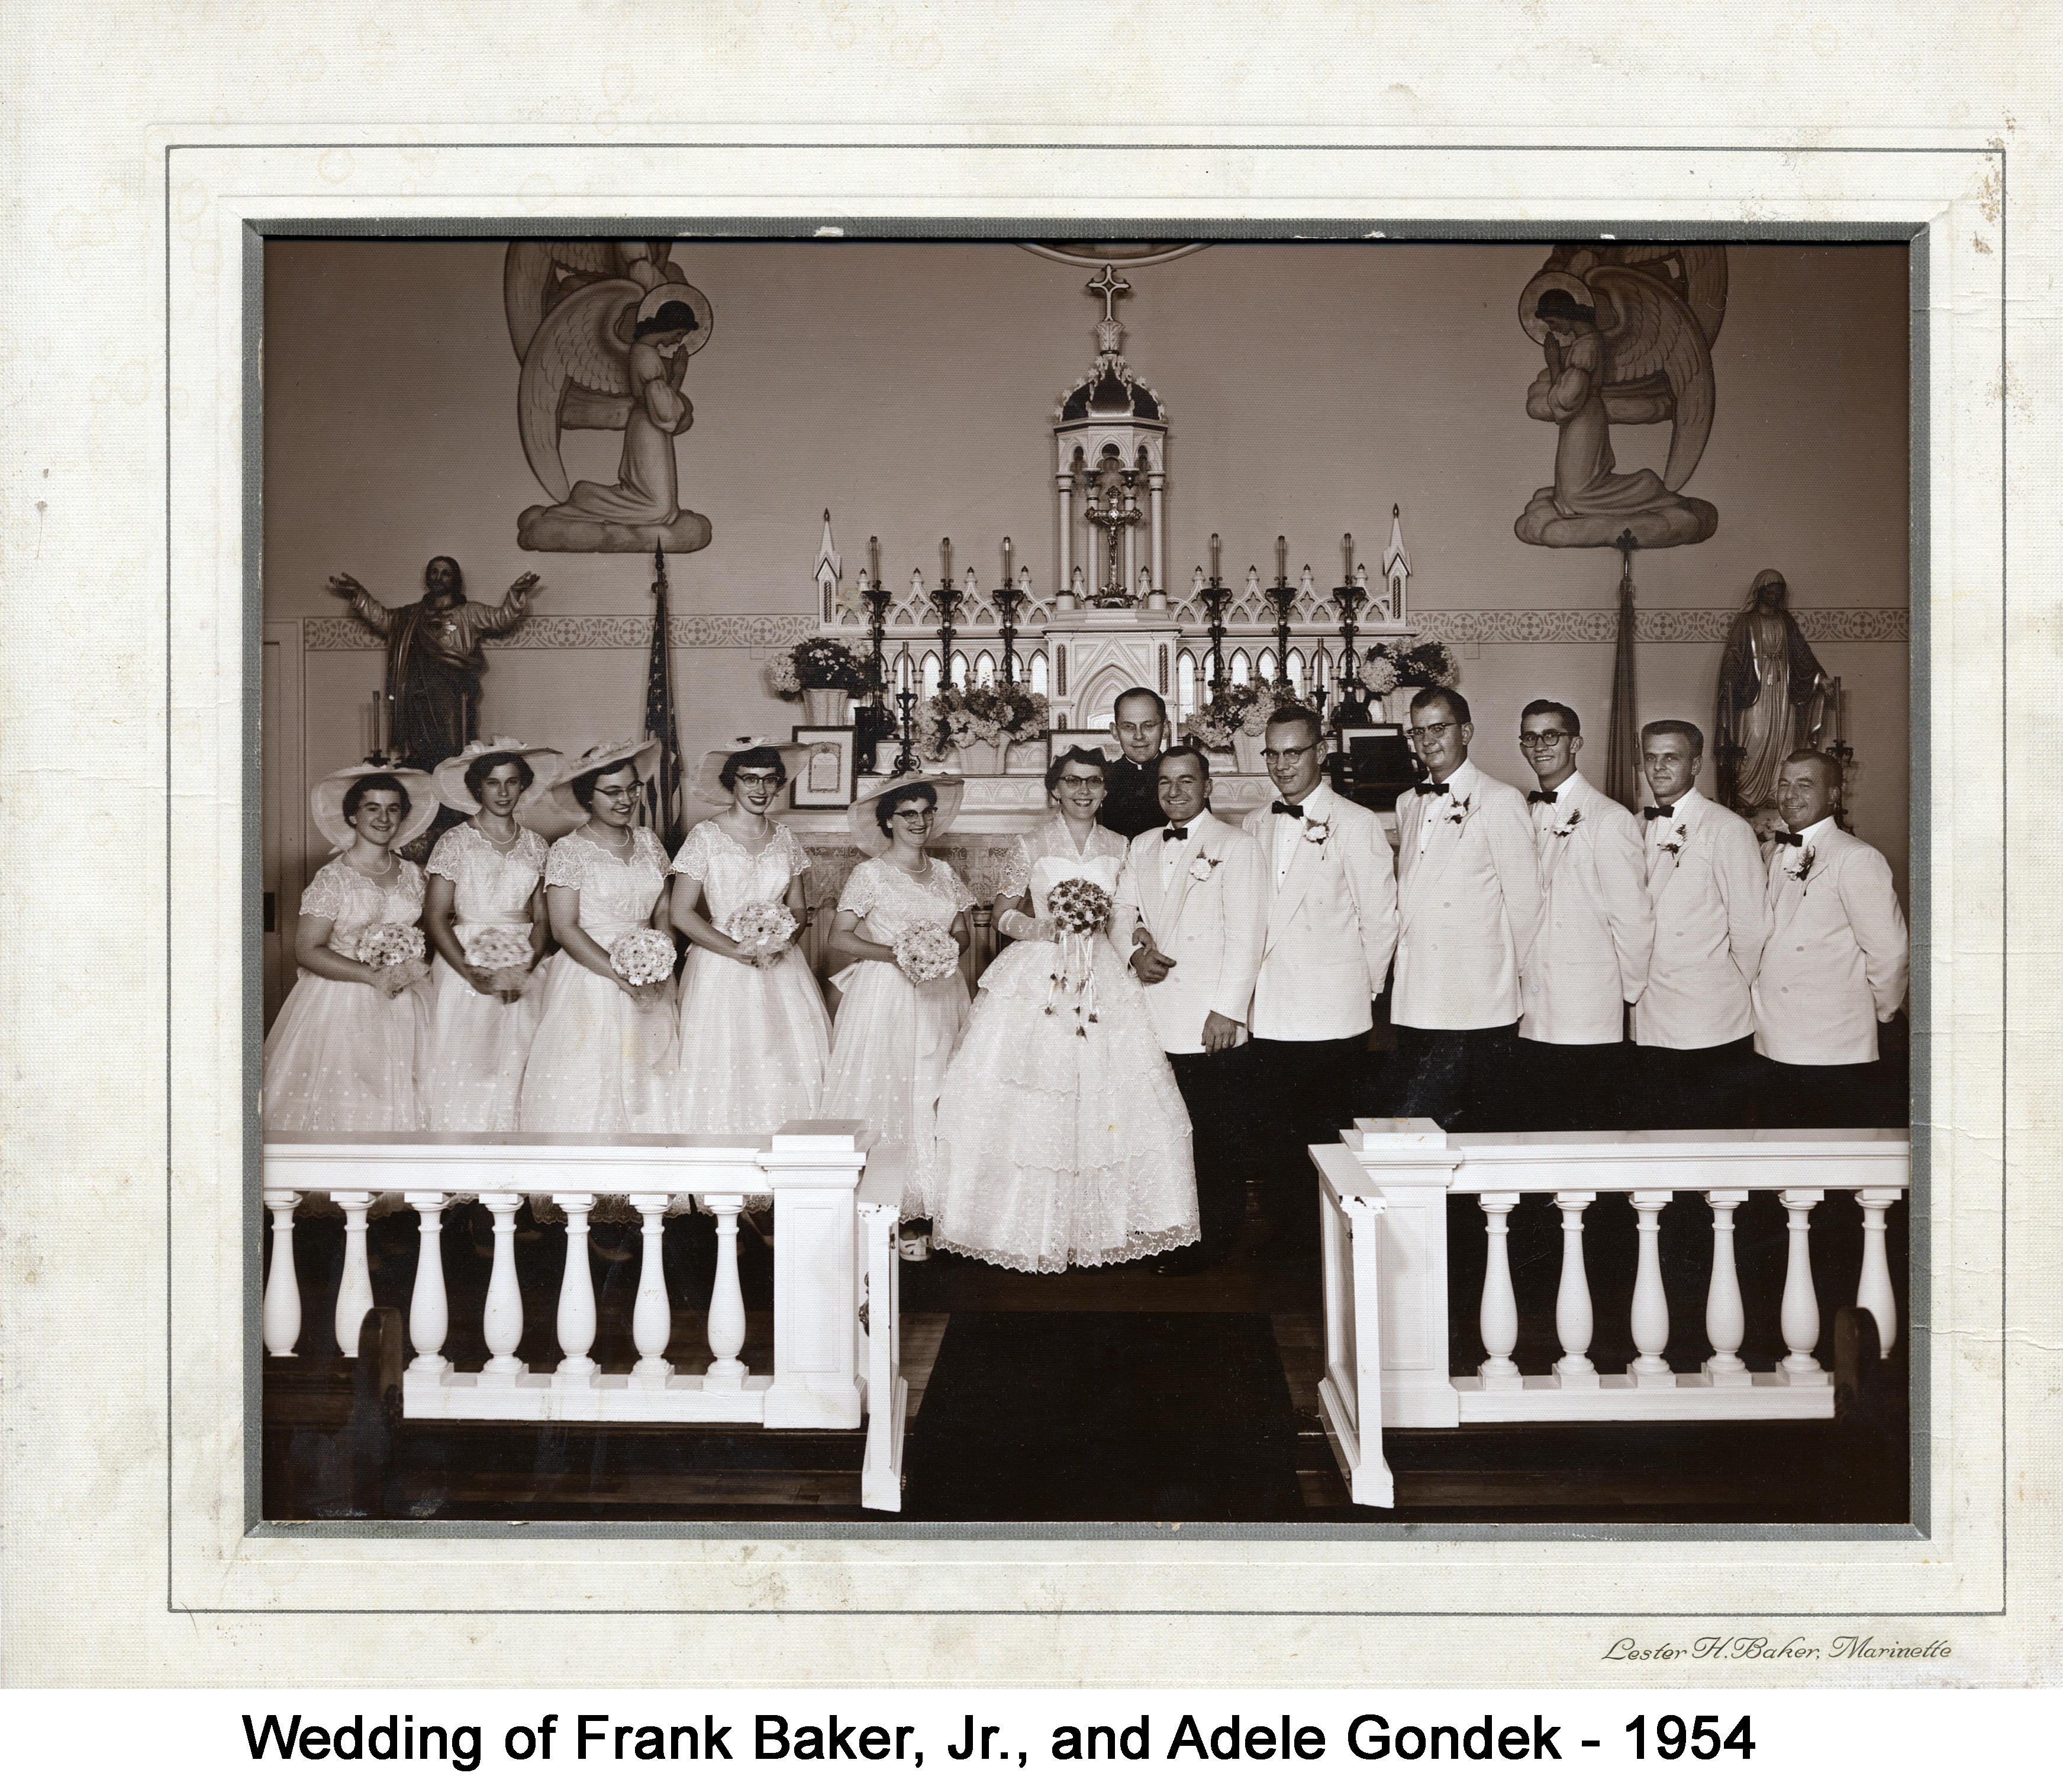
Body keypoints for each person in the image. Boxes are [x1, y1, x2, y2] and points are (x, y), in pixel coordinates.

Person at [909, 746, 1198, 1273]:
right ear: (1055, 789)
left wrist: (1128, 932)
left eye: (1093, 783)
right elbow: (1000, 916)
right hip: (1040, 974)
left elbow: (1124, 917)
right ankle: (1021, 1225)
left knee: (1105, 1097)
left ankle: (1101, 1225)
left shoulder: (1121, 845)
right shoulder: (1031, 843)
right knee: (1033, 1096)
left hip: (1103, 976)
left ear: (1106, 790)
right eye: (1072, 782)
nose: (1083, 792)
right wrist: (1049, 929)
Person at [1240, 706, 1398, 1256]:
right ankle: (1289, 1252)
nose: (1282, 765)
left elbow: (1381, 921)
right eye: (1273, 754)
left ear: (1320, 753)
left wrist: (1362, 991)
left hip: (1333, 1013)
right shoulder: (1255, 824)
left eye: (1294, 753)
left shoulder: (1355, 823)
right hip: (1271, 1012)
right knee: (1278, 1139)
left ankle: (1332, 1252)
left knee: (1329, 1139)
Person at [1114, 744, 1266, 1273]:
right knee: (1161, 1132)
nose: (1174, 793)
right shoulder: (1142, 844)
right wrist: (1134, 951)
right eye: (1164, 783)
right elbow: (1121, 911)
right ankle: (1168, 1232)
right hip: (1151, 1012)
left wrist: (1228, 1010)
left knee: (1212, 1134)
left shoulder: (1237, 845)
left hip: (1208, 1019)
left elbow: (1248, 936)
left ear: (1208, 787)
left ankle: (1215, 1240)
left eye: (1186, 781)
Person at [1390, 686, 1543, 1130]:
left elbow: (1526, 907)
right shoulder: (1407, 804)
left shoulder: (1500, 800)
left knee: (1470, 1132)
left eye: (1439, 728)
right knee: (1421, 1134)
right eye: (1418, 731)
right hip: (1419, 996)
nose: (1428, 741)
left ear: (1467, 731)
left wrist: (1501, 979)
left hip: (1475, 1001)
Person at [262, 763, 439, 1134]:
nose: (383, 817)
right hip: (342, 1000)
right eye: (372, 808)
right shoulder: (333, 878)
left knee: (404, 1087)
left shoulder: (413, 875)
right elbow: (308, 950)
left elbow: (423, 933)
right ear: (352, 815)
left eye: (393, 808)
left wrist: (408, 963)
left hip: (404, 997)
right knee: (353, 1094)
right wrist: (372, 975)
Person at [668, 739, 830, 1138]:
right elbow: (680, 912)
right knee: (728, 1059)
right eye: (750, 779)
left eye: (770, 780)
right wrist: (736, 949)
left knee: (783, 1056)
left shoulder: (785, 837)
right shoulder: (705, 837)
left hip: (779, 962)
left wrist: (780, 940)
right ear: (733, 782)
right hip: (722, 964)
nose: (760, 790)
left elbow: (797, 908)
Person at [516, 741, 677, 1133]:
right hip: (592, 974)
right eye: (613, 792)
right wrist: (621, 975)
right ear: (589, 796)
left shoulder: (649, 843)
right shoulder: (570, 850)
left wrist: (662, 954)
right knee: (592, 1072)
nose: (627, 800)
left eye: (633, 788)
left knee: (650, 1071)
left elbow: (663, 910)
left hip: (652, 972)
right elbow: (564, 927)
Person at [1750, 750, 1909, 1127]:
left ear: (1834, 796)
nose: (1790, 795)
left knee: (1832, 1165)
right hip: (1771, 1036)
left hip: (1833, 1046)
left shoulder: (1857, 858)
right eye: (1784, 784)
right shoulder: (1771, 850)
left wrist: (1878, 1015)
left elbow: (1890, 952)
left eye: (1805, 785)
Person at [1513, 700, 1653, 1128]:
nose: (1540, 746)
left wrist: (1624, 999)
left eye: (1551, 735)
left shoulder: (1609, 818)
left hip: (1586, 1007)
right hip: (1531, 1002)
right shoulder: (1521, 811)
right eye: (1530, 737)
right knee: (1539, 1123)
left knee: (1585, 1127)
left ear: (1576, 743)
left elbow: (1634, 921)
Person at [820, 778, 975, 1155]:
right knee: (892, 1078)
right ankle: (885, 1176)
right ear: (889, 821)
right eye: (908, 814)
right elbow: (839, 937)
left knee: (936, 1076)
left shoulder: (943, 872)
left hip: (942, 988)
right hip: (888, 990)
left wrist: (943, 951)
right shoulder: (871, 874)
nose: (920, 822)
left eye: (926, 813)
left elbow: (961, 930)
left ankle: (932, 1178)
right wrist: (899, 954)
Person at [1629, 720, 1769, 1126]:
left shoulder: (1727, 829)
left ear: (1695, 765)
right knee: (1657, 1140)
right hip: (1649, 1014)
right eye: (1650, 758)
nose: (1658, 767)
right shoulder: (1634, 826)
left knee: (1711, 1143)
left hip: (1709, 1017)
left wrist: (1719, 982)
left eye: (1671, 757)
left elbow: (1752, 926)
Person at [419, 739, 563, 1132]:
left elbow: (543, 919)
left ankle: (512, 1164)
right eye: (493, 783)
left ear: (523, 787)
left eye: (512, 783)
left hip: (522, 959)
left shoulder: (536, 844)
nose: (503, 793)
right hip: (465, 958)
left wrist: (524, 966)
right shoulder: (455, 842)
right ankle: (461, 1167)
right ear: (477, 788)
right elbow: (434, 916)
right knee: (469, 1060)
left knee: (517, 1057)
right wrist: (470, 972)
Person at [326, 558, 540, 772]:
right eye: (434, 572)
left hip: (453, 688)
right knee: (421, 744)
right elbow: (385, 620)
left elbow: (501, 619)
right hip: (417, 690)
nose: (439, 577)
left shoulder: (469, 612)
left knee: (454, 743)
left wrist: (516, 593)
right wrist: (358, 594)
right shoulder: (410, 616)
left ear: (455, 579)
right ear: (428, 578)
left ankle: (452, 771)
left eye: (445, 573)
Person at [526, 294, 700, 529]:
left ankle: (588, 497)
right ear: (670, 327)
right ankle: (586, 496)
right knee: (658, 509)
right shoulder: (647, 357)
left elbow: (662, 403)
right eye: (679, 334)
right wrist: (679, 374)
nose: (678, 341)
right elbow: (664, 409)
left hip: (649, 426)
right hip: (649, 428)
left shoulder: (645, 351)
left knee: (662, 508)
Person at [1715, 569, 1833, 813]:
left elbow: (1802, 653)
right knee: (1754, 740)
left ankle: (1775, 793)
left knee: (1784, 743)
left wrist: (1820, 677)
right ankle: (1746, 796)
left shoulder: (1786, 621)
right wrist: (1729, 683)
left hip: (1783, 693)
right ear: (1760, 593)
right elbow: (1733, 656)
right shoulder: (1745, 621)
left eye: (1778, 593)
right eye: (1769, 592)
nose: (1773, 597)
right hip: (1754, 694)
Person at [1099, 686, 1170, 839]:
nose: (1139, 736)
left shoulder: (1183, 775)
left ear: (1165, 729)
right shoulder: (1102, 778)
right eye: (1128, 727)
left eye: (1148, 726)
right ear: (1115, 732)